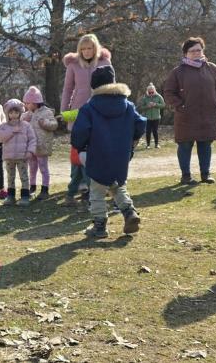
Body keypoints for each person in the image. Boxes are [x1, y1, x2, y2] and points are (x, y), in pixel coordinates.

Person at [71, 66, 146, 238]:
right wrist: (131, 142)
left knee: (97, 190)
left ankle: (99, 226)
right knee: (116, 183)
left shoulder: (89, 108)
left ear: (94, 86)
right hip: (121, 154)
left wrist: (80, 146)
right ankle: (129, 212)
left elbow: (80, 133)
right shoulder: (128, 106)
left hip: (97, 154)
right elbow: (141, 124)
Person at [163, 37, 216, 185]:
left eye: (198, 50)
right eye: (192, 51)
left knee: (206, 144)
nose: (196, 53)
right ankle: (186, 176)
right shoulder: (177, 72)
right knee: (185, 145)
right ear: (185, 53)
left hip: (209, 115)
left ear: (203, 50)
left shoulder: (213, 68)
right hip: (186, 116)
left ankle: (206, 175)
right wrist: (181, 106)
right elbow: (168, 93)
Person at [61, 34, 112, 207]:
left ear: (95, 48)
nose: (86, 51)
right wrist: (64, 111)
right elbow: (67, 89)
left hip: (101, 111)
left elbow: (112, 87)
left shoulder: (105, 63)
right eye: (83, 48)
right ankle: (78, 187)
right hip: (78, 111)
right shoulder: (73, 65)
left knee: (97, 151)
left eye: (89, 48)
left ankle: (96, 187)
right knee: (78, 151)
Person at [0, 99, 36, 206]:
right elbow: (0, 137)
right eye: (11, 112)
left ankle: (24, 196)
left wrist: (30, 151)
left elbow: (32, 139)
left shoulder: (26, 126)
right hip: (9, 157)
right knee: (10, 177)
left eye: (16, 112)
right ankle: (11, 196)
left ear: (20, 113)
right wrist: (11, 131)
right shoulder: (4, 126)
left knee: (24, 176)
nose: (13, 115)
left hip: (22, 156)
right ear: (7, 113)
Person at [22, 86, 57, 200]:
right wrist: (24, 120)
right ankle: (32, 187)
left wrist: (45, 123)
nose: (26, 105)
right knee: (32, 168)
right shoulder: (28, 114)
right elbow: (21, 123)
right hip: (32, 147)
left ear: (35, 102)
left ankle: (45, 189)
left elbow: (54, 125)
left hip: (42, 146)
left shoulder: (47, 112)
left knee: (43, 168)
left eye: (28, 103)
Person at [137, 83, 165, 149]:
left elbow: (163, 105)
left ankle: (156, 144)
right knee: (148, 131)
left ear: (154, 91)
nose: (151, 94)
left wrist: (155, 104)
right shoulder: (145, 98)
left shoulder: (159, 97)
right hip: (148, 118)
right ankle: (148, 145)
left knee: (155, 131)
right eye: (150, 92)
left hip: (156, 117)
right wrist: (147, 106)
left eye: (152, 92)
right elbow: (141, 107)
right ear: (147, 92)